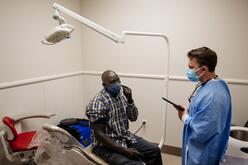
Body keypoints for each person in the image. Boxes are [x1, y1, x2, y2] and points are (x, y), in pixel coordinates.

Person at [85, 70, 163, 165]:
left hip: (124, 136)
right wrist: (124, 150)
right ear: (104, 85)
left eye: (118, 79)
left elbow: (133, 118)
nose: (117, 83)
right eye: (113, 82)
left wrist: (130, 99)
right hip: (104, 146)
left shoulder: (121, 95)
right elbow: (99, 135)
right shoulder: (97, 103)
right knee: (136, 163)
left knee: (155, 151)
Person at [174, 47, 232, 165]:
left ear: (203, 69)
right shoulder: (211, 84)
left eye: (191, 67)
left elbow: (202, 131)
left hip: (203, 155)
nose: (188, 70)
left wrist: (184, 117)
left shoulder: (214, 96)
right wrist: (189, 109)